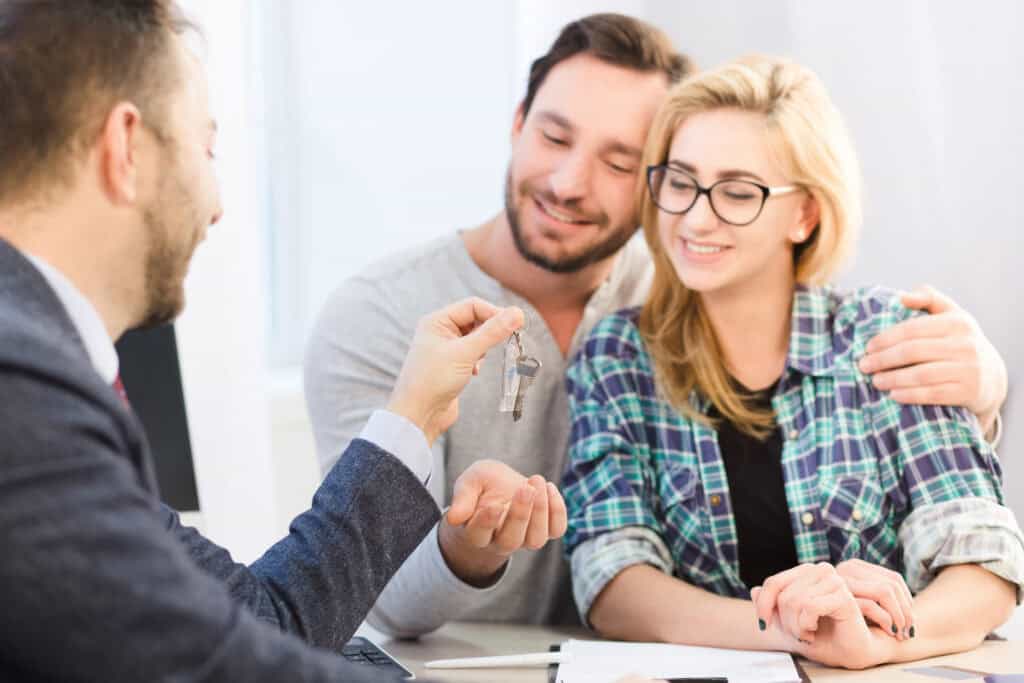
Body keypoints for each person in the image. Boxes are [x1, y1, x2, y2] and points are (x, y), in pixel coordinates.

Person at [304, 13, 1010, 637]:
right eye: (554, 137)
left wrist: (988, 388)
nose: (571, 183)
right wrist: (792, 621)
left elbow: (977, 545)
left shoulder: (705, 286)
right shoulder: (387, 319)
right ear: (517, 123)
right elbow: (374, 587)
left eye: (620, 161)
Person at [0, 2, 529, 681]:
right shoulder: (24, 392)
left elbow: (256, 618)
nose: (216, 205)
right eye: (206, 151)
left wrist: (413, 414)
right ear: (126, 148)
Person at [561, 55, 1023, 670]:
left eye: (737, 192)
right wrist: (791, 628)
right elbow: (614, 581)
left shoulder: (890, 336)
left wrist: (876, 641)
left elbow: (982, 561)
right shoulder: (616, 357)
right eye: (680, 181)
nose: (696, 217)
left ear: (804, 213)